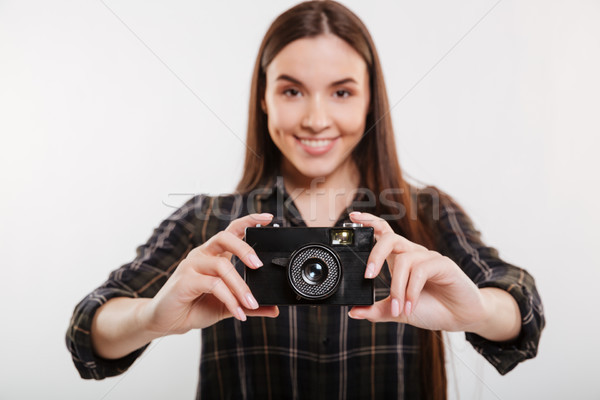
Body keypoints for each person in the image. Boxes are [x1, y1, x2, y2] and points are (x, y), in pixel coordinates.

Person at [66, 1, 545, 399]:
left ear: (369, 101)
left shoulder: (424, 214)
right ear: (264, 98)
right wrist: (152, 317)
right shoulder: (209, 222)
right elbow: (90, 327)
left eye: (341, 92)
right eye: (292, 90)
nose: (317, 119)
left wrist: (478, 311)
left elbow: (520, 305)